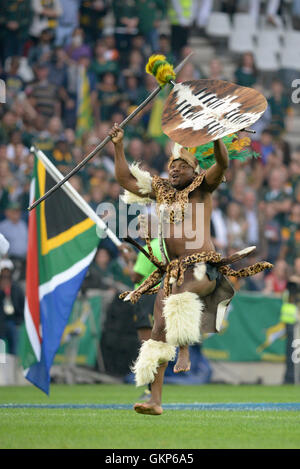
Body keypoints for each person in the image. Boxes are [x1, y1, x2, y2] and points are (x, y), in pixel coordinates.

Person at [109, 123, 272, 415]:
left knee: (178, 296)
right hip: (173, 272)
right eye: (172, 165)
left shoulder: (203, 186)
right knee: (157, 332)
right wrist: (119, 146)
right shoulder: (160, 190)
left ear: (194, 170)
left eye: (182, 165)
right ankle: (155, 400)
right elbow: (125, 179)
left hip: (202, 268)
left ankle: (185, 349)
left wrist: (218, 137)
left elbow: (222, 162)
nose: (174, 169)